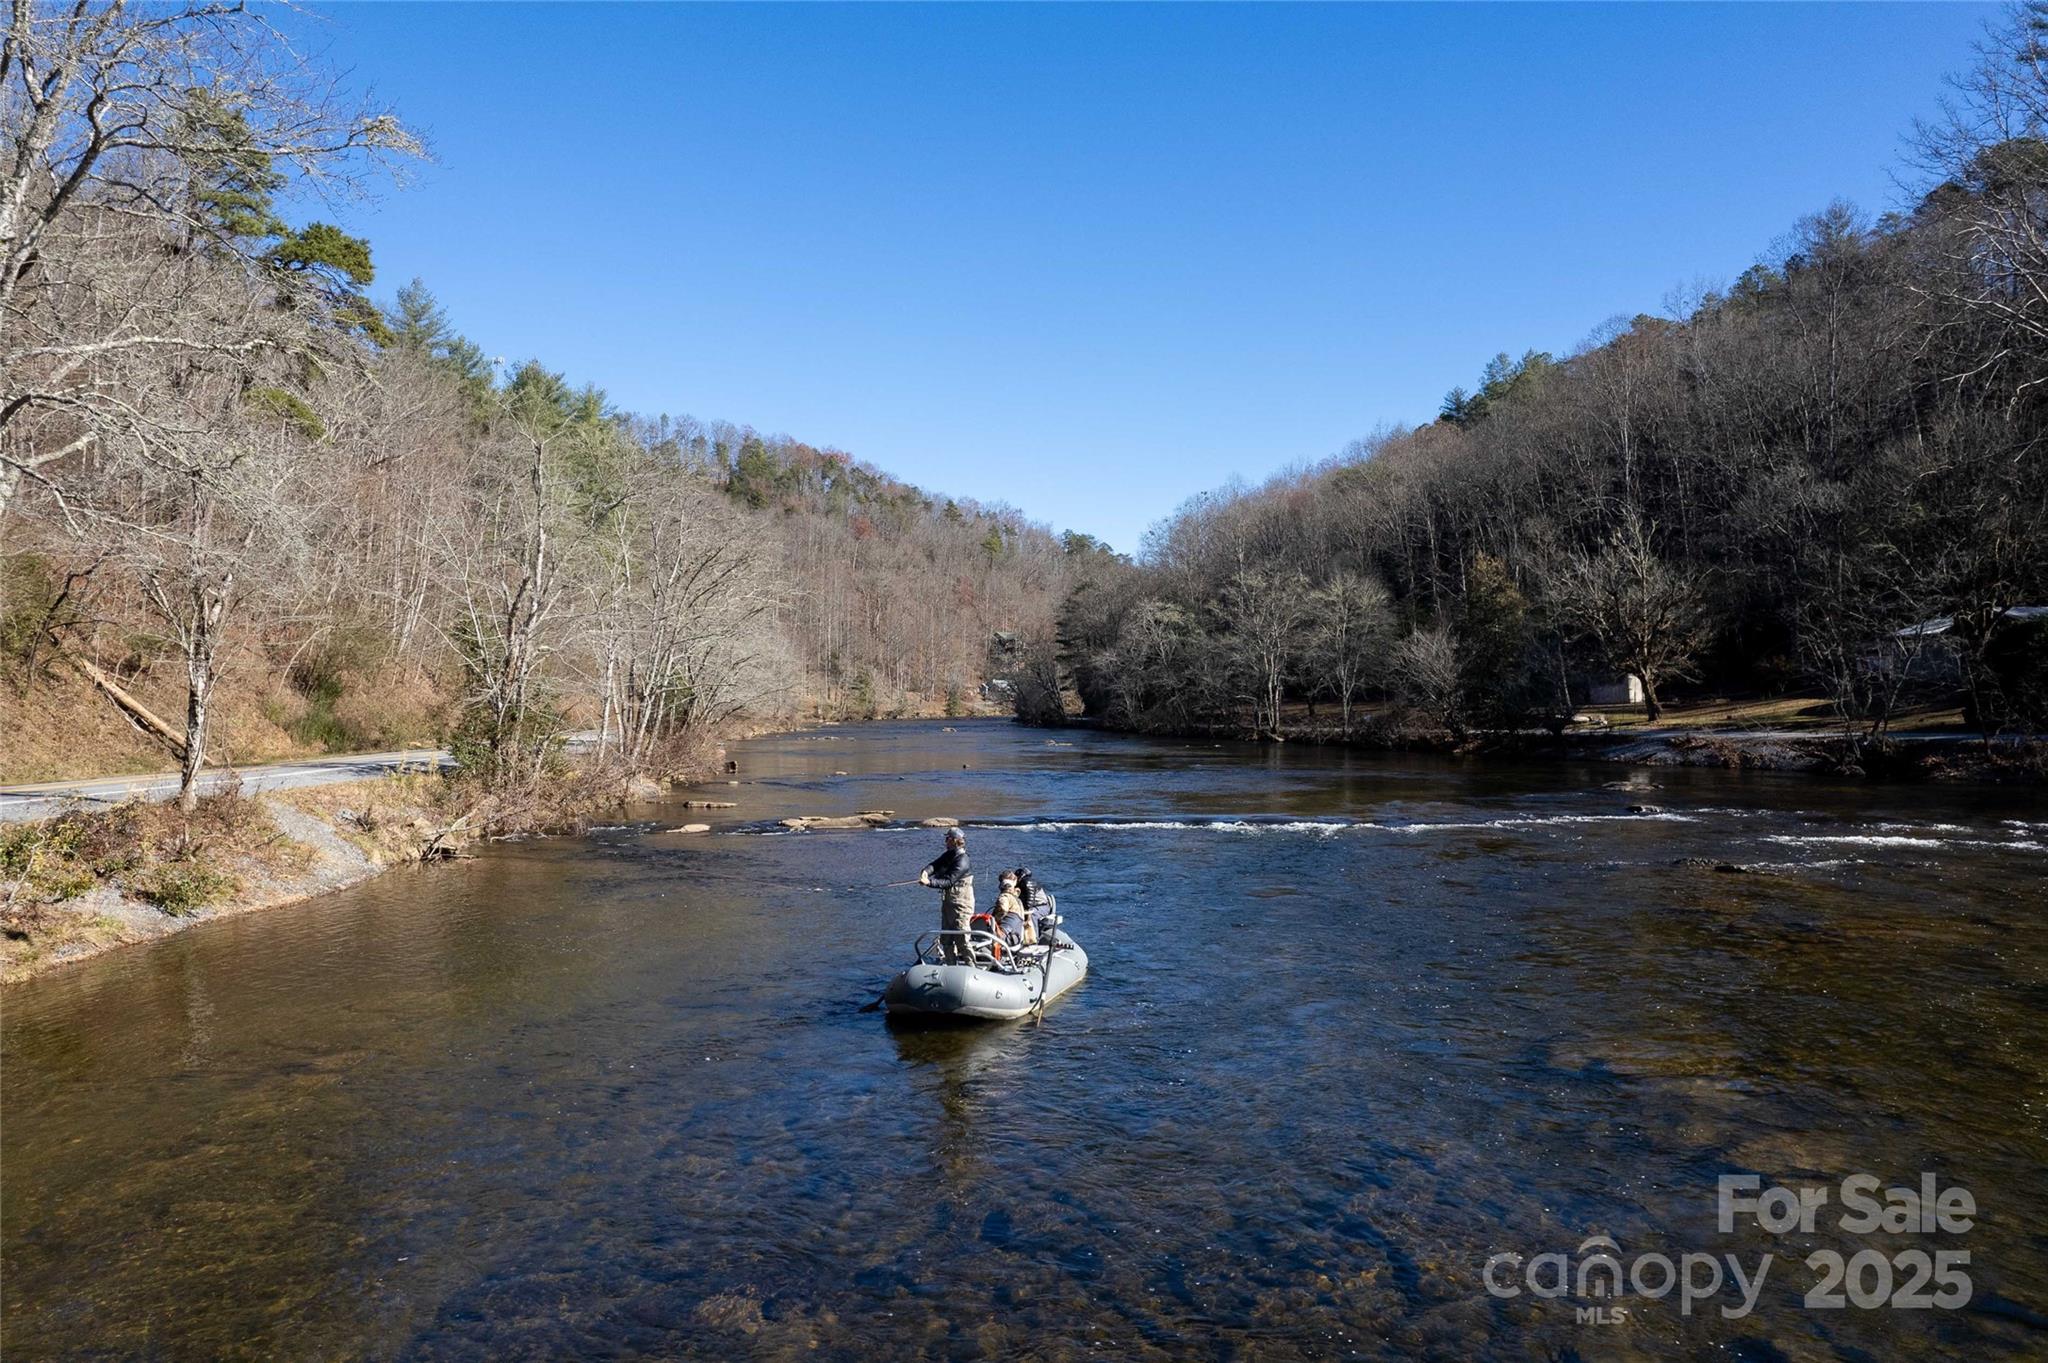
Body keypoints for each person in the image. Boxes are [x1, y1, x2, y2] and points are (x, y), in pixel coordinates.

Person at [919, 828, 975, 963]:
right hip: (948, 904)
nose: (945, 842)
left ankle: (971, 967)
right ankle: (951, 966)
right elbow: (935, 865)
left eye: (947, 839)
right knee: (946, 939)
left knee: (962, 940)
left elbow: (949, 881)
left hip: (961, 905)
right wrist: (926, 872)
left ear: (954, 841)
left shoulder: (963, 860)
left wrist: (929, 882)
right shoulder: (949, 854)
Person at [1015, 866, 1058, 943]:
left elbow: (1029, 901)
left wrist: (1026, 911)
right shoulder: (1022, 884)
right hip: (1036, 905)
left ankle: (1034, 939)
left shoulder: (1027, 882)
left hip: (1041, 906)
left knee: (1032, 915)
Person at [994, 871, 1033, 949]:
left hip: (1006, 939)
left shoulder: (1005, 897)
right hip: (1016, 938)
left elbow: (1003, 909)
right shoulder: (1017, 900)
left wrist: (994, 919)